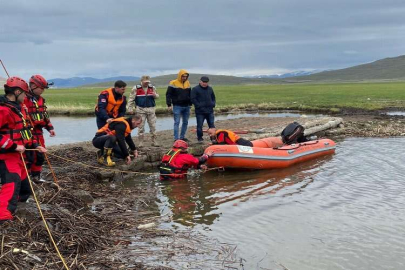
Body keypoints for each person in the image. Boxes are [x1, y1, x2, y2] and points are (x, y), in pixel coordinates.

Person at [0, 77, 46, 222]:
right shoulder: (3, 110)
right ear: (17, 91)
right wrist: (13, 146)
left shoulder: (18, 109)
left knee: (25, 189)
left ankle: (19, 208)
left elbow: (25, 131)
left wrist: (35, 145)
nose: (26, 97)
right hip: (6, 156)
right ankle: (3, 216)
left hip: (18, 156)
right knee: (11, 185)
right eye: (24, 94)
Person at [23, 74, 55, 182]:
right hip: (27, 132)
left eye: (43, 88)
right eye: (41, 88)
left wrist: (50, 127)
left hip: (38, 131)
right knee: (29, 156)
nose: (42, 91)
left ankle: (36, 176)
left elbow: (44, 115)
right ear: (33, 86)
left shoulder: (41, 100)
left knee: (40, 155)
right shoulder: (24, 99)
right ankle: (26, 179)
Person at [127, 75, 159, 147]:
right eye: (145, 82)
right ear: (141, 81)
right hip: (140, 109)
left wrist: (155, 95)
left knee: (153, 126)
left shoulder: (152, 87)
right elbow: (131, 99)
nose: (146, 83)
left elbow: (157, 96)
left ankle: (154, 141)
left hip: (151, 109)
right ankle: (141, 142)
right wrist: (130, 108)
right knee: (140, 127)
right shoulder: (136, 88)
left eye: (147, 82)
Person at [166, 69, 191, 142]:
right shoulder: (173, 83)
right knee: (177, 122)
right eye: (183, 76)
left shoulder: (188, 83)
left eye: (186, 76)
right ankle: (176, 139)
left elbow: (190, 94)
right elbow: (168, 94)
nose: (184, 78)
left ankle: (182, 137)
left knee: (185, 122)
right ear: (180, 76)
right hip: (177, 106)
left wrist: (190, 104)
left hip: (186, 106)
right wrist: (169, 105)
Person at [191, 76, 216, 143]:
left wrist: (213, 104)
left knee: (212, 125)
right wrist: (198, 106)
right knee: (199, 126)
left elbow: (213, 97)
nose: (204, 83)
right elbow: (193, 99)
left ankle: (213, 138)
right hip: (200, 112)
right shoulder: (195, 89)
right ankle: (200, 138)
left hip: (210, 110)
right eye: (203, 82)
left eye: (206, 82)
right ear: (200, 81)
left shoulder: (210, 89)